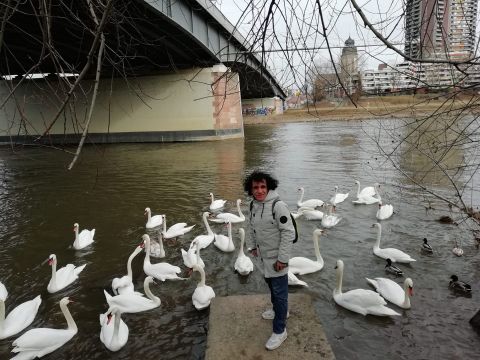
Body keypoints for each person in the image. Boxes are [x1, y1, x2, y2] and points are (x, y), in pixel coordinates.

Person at [243, 170, 295, 351]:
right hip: (263, 259)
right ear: (250, 189)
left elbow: (289, 232)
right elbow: (252, 228)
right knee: (273, 289)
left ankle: (280, 330)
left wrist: (283, 259)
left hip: (277, 261)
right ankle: (280, 311)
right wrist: (253, 247)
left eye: (263, 186)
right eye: (255, 187)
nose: (259, 190)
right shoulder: (253, 205)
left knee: (280, 294)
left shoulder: (278, 206)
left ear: (269, 187)